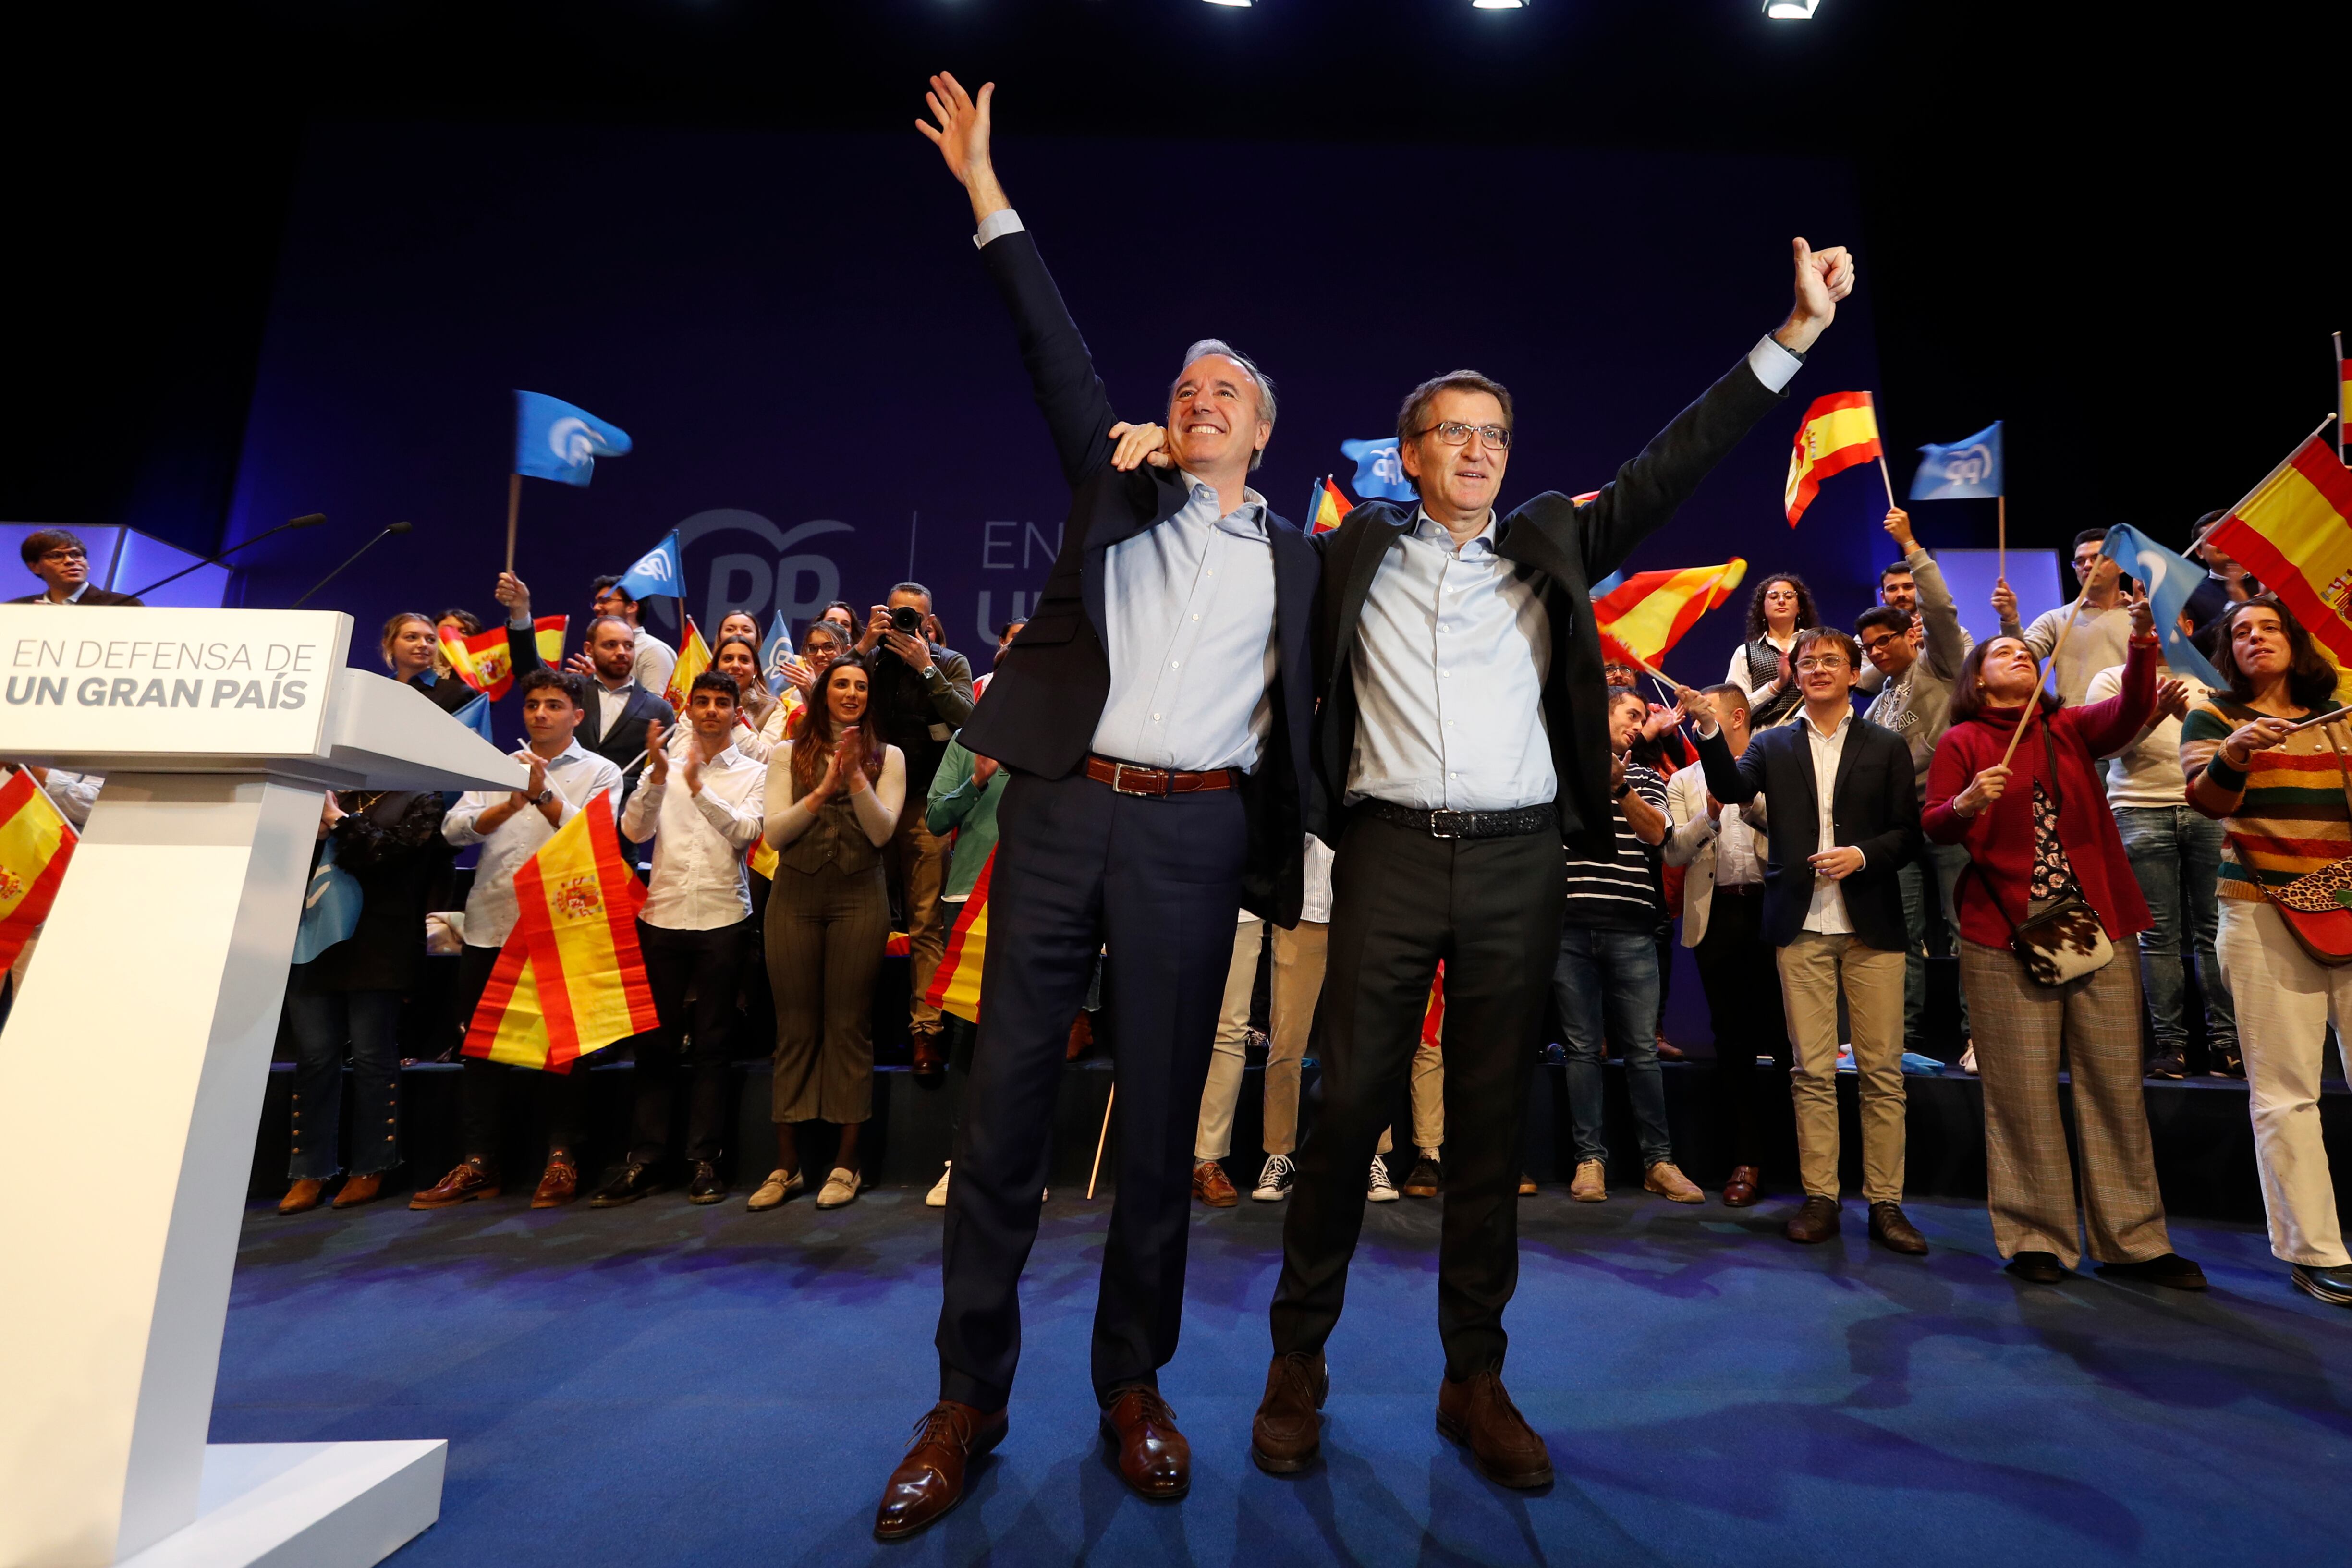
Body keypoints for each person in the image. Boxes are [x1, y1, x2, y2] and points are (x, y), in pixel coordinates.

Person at [1259, 233, 1853, 1494]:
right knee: (1346, 1110)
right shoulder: (1351, 552)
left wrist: (1793, 335)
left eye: (1494, 435)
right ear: (1408, 453)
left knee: (1486, 1128)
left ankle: (1473, 1375)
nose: (1476, 450)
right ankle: (1296, 1365)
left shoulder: (1548, 543)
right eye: (1451, 434)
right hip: (1385, 854)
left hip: (1522, 860)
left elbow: (1673, 462)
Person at [881, 73, 1320, 1539]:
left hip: (1200, 831)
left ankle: (1132, 1381)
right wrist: (986, 192)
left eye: (1226, 397)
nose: (1197, 403)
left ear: (1261, 433)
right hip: (1065, 812)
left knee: (1153, 1143)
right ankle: (967, 1397)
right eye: (1184, 390)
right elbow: (1052, 347)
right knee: (1003, 1108)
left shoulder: (1306, 559)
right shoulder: (1112, 483)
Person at [1926, 601, 2208, 1288]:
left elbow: (2129, 710)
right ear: (1978, 680)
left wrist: (2142, 643)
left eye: (2025, 651)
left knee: (2114, 1087)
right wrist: (1966, 802)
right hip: (2006, 938)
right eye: (2002, 653)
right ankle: (2036, 1237)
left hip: (2096, 926)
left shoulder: (2068, 725)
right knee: (2020, 1093)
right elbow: (1934, 823)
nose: (2019, 654)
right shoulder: (1963, 740)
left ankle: (2134, 1241)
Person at [1685, 626, 1925, 1254]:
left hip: (1871, 924)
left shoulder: (1886, 743)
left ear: (1853, 674)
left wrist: (1862, 855)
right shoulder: (1770, 743)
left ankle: (1886, 1203)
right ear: (1795, 674)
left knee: (1880, 1072)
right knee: (1810, 1071)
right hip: (1798, 925)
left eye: (1831, 661)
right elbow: (1733, 791)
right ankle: (1820, 1196)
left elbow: (1907, 834)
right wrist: (1709, 732)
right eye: (1807, 661)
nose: (1818, 668)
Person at [2181, 596, 2352, 1308]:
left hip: (2350, 904)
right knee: (2286, 1096)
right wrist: (2235, 752)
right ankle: (2316, 1251)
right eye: (2241, 633)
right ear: (2228, 652)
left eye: (2269, 627)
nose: (2255, 639)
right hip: (2260, 912)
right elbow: (2206, 802)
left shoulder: (2342, 714)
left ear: (2295, 640)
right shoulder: (2214, 715)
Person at [411, 669, 625, 1211]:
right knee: (479, 1052)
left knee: (565, 1054)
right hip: (491, 924)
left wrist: (542, 795)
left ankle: (562, 1160)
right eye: (533, 705)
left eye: (554, 705)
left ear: (577, 715)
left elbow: (596, 836)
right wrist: (509, 802)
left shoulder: (601, 771)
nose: (541, 714)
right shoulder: (494, 767)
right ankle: (479, 1163)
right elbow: (453, 829)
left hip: (563, 927)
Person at [596, 670, 768, 1208]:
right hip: (663, 915)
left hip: (723, 916)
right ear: (688, 710)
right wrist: (656, 777)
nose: (712, 710)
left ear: (738, 712)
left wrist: (697, 788)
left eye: (722, 702)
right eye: (703, 702)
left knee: (714, 1045)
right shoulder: (661, 768)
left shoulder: (753, 772)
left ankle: (705, 1160)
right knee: (655, 1046)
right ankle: (646, 1160)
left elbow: (746, 832)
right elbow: (634, 832)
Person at [758, 655, 905, 1215]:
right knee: (795, 1028)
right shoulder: (783, 754)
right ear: (823, 694)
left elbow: (881, 830)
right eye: (841, 684)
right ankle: (787, 1166)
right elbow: (774, 834)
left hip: (858, 898)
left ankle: (847, 1165)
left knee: (849, 1028)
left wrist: (857, 777)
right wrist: (821, 789)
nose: (851, 693)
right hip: (794, 897)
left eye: (860, 686)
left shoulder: (888, 756)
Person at [1556, 689, 1702, 1205]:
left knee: (1641, 1050)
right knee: (1581, 1050)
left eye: (1643, 717)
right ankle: (1589, 1160)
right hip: (1569, 925)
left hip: (1632, 927)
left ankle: (1658, 1162)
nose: (1638, 723)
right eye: (1631, 714)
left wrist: (1620, 790)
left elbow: (1658, 836)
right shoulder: (1561, 771)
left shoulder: (1642, 776)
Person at [278, 788, 450, 1215]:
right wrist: (313, 834)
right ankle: (309, 1171)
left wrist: (337, 821)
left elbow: (391, 859)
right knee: (315, 1058)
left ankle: (371, 1165)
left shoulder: (419, 796)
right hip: (312, 937)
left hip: (379, 943)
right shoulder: (316, 791)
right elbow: (277, 863)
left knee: (373, 1054)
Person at [1855, 506, 1974, 1063]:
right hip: (1902, 830)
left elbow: (1942, 610)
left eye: (1884, 641)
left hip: (1951, 817)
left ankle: (1979, 1037)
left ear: (1910, 634)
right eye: (1869, 647)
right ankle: (1901, 1040)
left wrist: (1910, 546)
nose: (1877, 651)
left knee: (1963, 928)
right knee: (1897, 936)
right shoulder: (1878, 706)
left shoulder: (1942, 666)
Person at [2086, 652, 2239, 1079]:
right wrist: (2154, 714)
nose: (2155, 629)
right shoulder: (2113, 678)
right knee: (2157, 935)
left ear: (2186, 623)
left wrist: (2188, 712)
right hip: (2138, 810)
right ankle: (2170, 1044)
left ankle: (2225, 1045)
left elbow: (2235, 742)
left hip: (2208, 806)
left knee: (2216, 929)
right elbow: (2106, 747)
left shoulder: (2215, 678)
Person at [1663, 683, 1785, 1206]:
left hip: (1774, 909)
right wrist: (1709, 817)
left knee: (1786, 1038)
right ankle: (1746, 1158)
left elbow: (1797, 832)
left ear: (1737, 716)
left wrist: (1744, 799)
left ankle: (1801, 1160)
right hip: (1718, 916)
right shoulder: (1683, 779)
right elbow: (1671, 853)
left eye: (1706, 714)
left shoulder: (1777, 762)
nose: (1696, 723)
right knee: (1731, 1040)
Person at [852, 581, 977, 1076]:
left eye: (915, 617)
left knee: (926, 923)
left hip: (927, 804)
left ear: (929, 620)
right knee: (863, 920)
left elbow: (970, 719)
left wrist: (926, 666)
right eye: (897, 614)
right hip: (871, 802)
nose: (906, 623)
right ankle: (857, 1031)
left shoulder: (949, 662)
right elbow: (830, 700)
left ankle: (927, 1030)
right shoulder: (868, 659)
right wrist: (864, 645)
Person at [923, 733, 1011, 1207]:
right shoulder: (969, 740)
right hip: (969, 900)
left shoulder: (1058, 733)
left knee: (1024, 1036)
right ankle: (964, 1159)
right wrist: (976, 780)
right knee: (968, 1036)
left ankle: (1018, 1160)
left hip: (1034, 896)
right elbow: (935, 817)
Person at [1992, 529, 2135, 707]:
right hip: (2077, 725)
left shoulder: (2143, 616)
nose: (2088, 566)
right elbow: (2021, 657)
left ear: (2122, 565)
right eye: (2080, 562)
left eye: (2098, 559)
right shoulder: (2056, 620)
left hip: (2140, 722)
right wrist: (2010, 617)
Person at [1725, 573, 1816, 729]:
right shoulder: (1746, 652)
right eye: (1773, 597)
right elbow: (1734, 708)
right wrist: (1777, 684)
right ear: (1763, 608)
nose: (1781, 601)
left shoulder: (1816, 645)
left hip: (1812, 730)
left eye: (1789, 596)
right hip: (1765, 738)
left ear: (1800, 607)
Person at [570, 573, 677, 697]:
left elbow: (659, 709)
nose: (596, 608)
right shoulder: (596, 652)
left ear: (632, 607)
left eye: (605, 601)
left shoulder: (654, 651)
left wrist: (603, 682)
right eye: (597, 602)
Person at [381, 611, 480, 715]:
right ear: (389, 644)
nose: (424, 645)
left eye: (431, 640)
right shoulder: (377, 689)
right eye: (412, 637)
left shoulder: (458, 693)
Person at [10, 528, 143, 605]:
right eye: (56, 556)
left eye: (76, 555)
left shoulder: (123, 605)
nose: (70, 561)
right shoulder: (16, 609)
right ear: (35, 567)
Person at [712, 635, 782, 760]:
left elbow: (768, 758)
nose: (735, 665)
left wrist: (736, 724)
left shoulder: (773, 708)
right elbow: (680, 755)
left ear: (755, 670)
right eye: (728, 659)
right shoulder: (700, 705)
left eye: (744, 660)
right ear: (717, 667)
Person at [972, 618, 1026, 698]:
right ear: (1002, 642)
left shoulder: (1043, 686)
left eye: (1027, 638)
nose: (1021, 642)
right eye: (1016, 637)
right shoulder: (980, 685)